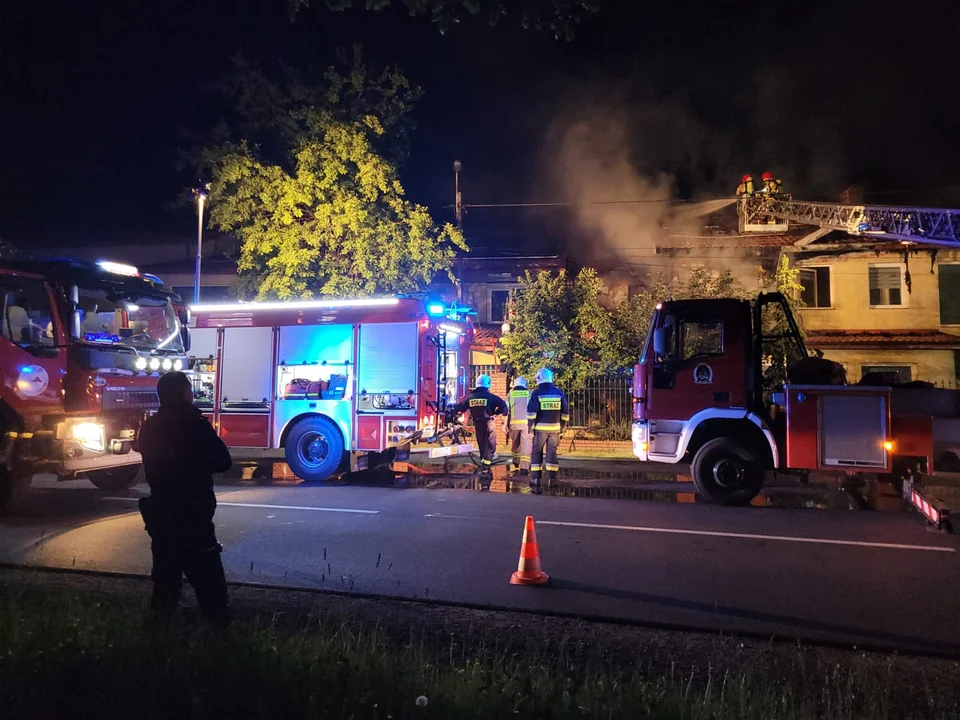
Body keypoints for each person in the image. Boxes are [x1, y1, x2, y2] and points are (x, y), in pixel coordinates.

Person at [136, 371, 232, 625]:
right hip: (192, 514)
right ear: (182, 393)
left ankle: (157, 640)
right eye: (189, 389)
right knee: (210, 585)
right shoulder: (193, 423)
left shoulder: (149, 427)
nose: (192, 394)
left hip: (162, 514)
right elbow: (223, 461)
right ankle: (220, 639)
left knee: (165, 584)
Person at [527, 368, 569, 493]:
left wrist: (530, 427)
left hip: (540, 429)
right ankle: (552, 479)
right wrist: (562, 427)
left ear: (539, 378)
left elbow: (531, 413)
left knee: (536, 452)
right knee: (552, 453)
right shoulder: (559, 392)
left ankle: (536, 479)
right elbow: (565, 412)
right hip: (555, 429)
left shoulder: (537, 393)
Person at [455, 374, 507, 472]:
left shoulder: (470, 397)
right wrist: (496, 413)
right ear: (487, 384)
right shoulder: (490, 397)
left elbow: (460, 408)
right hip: (489, 422)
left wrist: (456, 413)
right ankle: (486, 465)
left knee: (481, 443)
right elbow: (503, 406)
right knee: (490, 443)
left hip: (478, 423)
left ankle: (484, 463)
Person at [506, 376, 532, 475]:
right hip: (526, 424)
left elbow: (506, 410)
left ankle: (516, 461)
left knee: (515, 444)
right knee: (526, 445)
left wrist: (505, 425)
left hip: (514, 424)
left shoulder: (510, 394)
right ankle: (524, 467)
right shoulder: (530, 393)